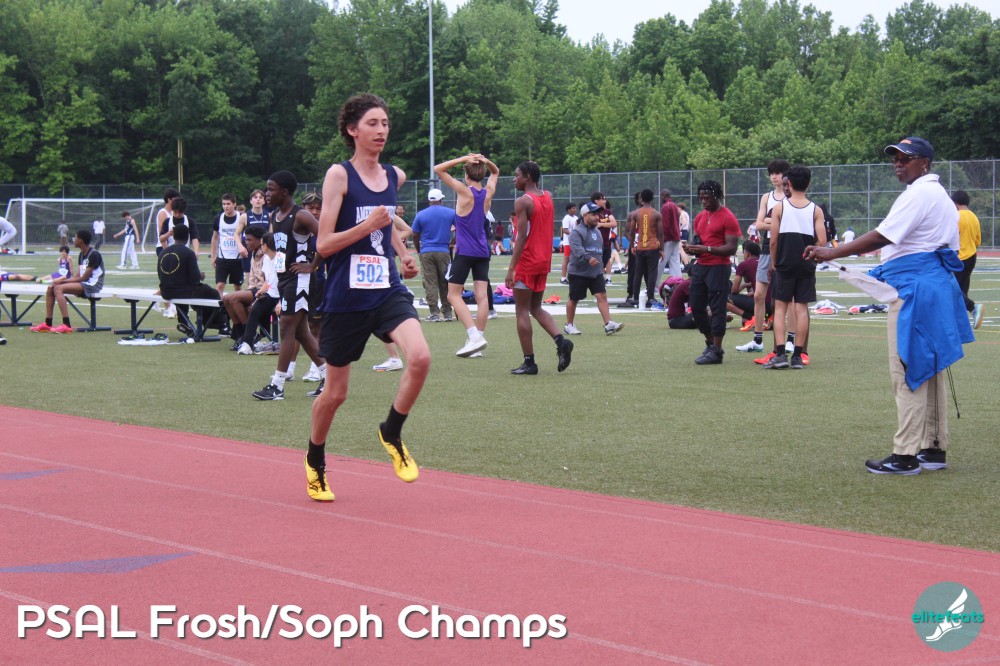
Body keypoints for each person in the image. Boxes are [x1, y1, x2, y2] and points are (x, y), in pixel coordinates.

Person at [804, 136, 974, 475]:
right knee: (931, 368)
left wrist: (831, 252)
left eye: (905, 157)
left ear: (924, 163)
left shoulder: (919, 194)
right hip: (932, 286)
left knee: (907, 368)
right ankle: (933, 448)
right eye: (895, 157)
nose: (898, 162)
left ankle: (905, 455)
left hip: (915, 289)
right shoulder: (939, 195)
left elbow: (883, 236)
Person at [306, 92, 427, 501]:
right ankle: (315, 461)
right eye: (372, 123)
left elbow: (384, 226)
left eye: (385, 123)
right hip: (346, 297)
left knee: (421, 357)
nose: (381, 130)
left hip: (386, 289)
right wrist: (367, 226)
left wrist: (402, 252)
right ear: (352, 130)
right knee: (335, 394)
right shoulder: (339, 176)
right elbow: (324, 244)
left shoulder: (394, 176)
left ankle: (391, 431)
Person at [251, 171, 326, 401]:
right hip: (286, 279)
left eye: (270, 189)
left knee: (285, 328)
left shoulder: (301, 215)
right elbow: (281, 250)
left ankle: (277, 386)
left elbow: (326, 237)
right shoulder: (275, 215)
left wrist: (312, 265)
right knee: (301, 332)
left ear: (284, 192)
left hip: (300, 279)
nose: (266, 193)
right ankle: (329, 377)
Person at [505, 160, 573, 375]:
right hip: (543, 260)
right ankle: (561, 341)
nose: (514, 179)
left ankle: (530, 362)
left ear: (527, 177)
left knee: (521, 311)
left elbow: (521, 236)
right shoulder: (548, 196)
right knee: (535, 307)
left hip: (527, 261)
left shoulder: (522, 202)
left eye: (517, 175)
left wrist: (511, 268)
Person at [434, 153, 500, 358]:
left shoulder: (464, 191)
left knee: (453, 295)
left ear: (467, 175)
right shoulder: (488, 192)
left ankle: (474, 336)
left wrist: (464, 159)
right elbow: (496, 172)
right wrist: (486, 161)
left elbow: (438, 169)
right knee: (482, 297)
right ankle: (477, 340)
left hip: (465, 251)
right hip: (482, 251)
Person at [763, 165, 825, 370]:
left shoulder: (780, 208)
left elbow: (773, 240)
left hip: (784, 263)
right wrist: (811, 255)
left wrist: (774, 263)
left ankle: (780, 353)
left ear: (788, 183)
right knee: (801, 309)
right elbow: (822, 241)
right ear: (809, 183)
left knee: (780, 308)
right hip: (805, 264)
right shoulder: (816, 210)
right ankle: (798, 356)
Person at [682, 180, 741, 365]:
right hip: (701, 266)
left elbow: (731, 248)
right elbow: (698, 241)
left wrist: (706, 249)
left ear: (717, 196)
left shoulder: (728, 217)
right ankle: (711, 343)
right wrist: (692, 248)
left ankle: (716, 350)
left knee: (717, 308)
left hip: (719, 266)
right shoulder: (700, 217)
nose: (703, 201)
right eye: (701, 198)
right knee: (696, 307)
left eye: (707, 198)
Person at [745, 159, 788, 355]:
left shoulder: (790, 196)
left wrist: (770, 220)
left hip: (785, 246)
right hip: (766, 247)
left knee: (787, 297)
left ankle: (789, 340)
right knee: (758, 295)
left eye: (778, 172)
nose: (774, 176)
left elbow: (790, 222)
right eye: (771, 173)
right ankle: (757, 340)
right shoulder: (766, 197)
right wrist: (775, 221)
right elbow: (759, 224)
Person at [563, 201, 625, 336]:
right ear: (585, 215)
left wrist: (601, 264)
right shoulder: (576, 232)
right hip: (579, 272)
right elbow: (577, 249)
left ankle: (608, 324)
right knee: (574, 299)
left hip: (595, 272)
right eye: (593, 214)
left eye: (598, 214)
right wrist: (588, 258)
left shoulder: (597, 231)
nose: (597, 217)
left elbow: (599, 250)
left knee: (602, 296)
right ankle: (569, 325)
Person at [29, 229, 105, 334]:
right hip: (84, 283)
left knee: (58, 288)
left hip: (93, 284)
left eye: (75, 238)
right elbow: (78, 275)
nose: (74, 240)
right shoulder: (82, 254)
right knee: (51, 288)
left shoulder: (94, 254)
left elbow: (84, 278)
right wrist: (61, 281)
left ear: (81, 240)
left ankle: (66, 325)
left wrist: (62, 282)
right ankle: (48, 323)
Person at [156, 223, 221, 336]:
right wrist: (201, 276)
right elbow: (195, 278)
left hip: (166, 292)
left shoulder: (163, 252)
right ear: (187, 237)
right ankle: (216, 324)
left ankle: (183, 322)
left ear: (173, 236)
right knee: (212, 293)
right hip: (182, 292)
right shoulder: (189, 253)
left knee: (183, 287)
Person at [410, 188, 455, 322]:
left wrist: (419, 250)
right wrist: (452, 242)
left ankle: (434, 313)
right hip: (444, 251)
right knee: (445, 281)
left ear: (429, 200)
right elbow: (461, 229)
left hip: (427, 251)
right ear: (441, 199)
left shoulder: (421, 214)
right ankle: (447, 312)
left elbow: (415, 234)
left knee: (430, 283)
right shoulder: (450, 212)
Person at [235, 232, 281, 355]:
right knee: (254, 309)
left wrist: (281, 302)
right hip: (270, 295)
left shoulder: (280, 259)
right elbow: (268, 281)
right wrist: (261, 291)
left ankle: (285, 344)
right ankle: (247, 343)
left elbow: (285, 282)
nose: (261, 247)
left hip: (283, 296)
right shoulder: (266, 259)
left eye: (262, 245)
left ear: (266, 246)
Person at [223, 226, 266, 349]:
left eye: (249, 239)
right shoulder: (253, 254)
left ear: (259, 241)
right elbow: (252, 280)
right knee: (226, 298)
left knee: (233, 298)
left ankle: (249, 334)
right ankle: (241, 335)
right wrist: (248, 293)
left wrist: (255, 300)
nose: (246, 242)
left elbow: (268, 282)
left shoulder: (266, 255)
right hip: (254, 290)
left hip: (264, 292)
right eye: (245, 239)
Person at [626, 189, 664, 308]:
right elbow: (660, 233)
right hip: (652, 247)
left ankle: (635, 298)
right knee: (652, 272)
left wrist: (632, 246)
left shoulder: (636, 213)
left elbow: (632, 232)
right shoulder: (656, 214)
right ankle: (651, 298)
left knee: (638, 273)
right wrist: (662, 249)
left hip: (640, 247)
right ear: (652, 199)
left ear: (641, 198)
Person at [952, 190, 983, 329]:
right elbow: (977, 241)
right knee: (962, 290)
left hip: (960, 257)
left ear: (955, 203)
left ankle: (973, 307)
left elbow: (951, 236)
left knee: (953, 290)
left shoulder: (957, 216)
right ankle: (961, 322)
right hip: (972, 256)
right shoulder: (974, 217)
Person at [211, 193, 245, 296]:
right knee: (220, 285)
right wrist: (213, 256)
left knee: (237, 286)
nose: (226, 206)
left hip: (237, 258)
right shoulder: (218, 218)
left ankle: (237, 305)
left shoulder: (242, 217)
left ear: (234, 204)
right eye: (224, 204)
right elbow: (215, 237)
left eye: (228, 204)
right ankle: (219, 305)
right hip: (222, 258)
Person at [727, 240, 760, 324]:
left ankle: (750, 317)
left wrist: (745, 286)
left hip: (759, 303)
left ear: (747, 253)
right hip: (771, 305)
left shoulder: (744, 265)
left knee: (724, 300)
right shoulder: (765, 263)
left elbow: (734, 291)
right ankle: (767, 318)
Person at [658, 189, 682, 278]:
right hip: (676, 236)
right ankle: (677, 281)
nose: (660, 198)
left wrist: (661, 238)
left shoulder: (665, 206)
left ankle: (654, 283)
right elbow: (678, 215)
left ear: (663, 196)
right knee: (675, 261)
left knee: (661, 260)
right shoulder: (674, 205)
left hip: (668, 237)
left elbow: (665, 224)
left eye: (661, 196)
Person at [559, 203, 578, 283]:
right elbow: (565, 230)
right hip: (568, 242)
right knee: (566, 259)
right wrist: (574, 234)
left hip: (575, 242)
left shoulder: (576, 218)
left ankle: (573, 276)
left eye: (575, 208)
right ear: (568, 210)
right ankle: (563, 278)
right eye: (573, 208)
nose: (575, 209)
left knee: (575, 259)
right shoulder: (566, 218)